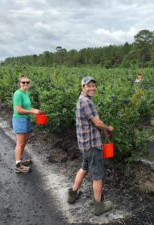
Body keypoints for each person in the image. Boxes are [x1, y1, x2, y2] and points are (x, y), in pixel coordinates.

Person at [67, 76, 114, 216]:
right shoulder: (87, 101)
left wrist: (101, 128)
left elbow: (93, 123)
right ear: (83, 87)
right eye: (89, 86)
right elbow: (97, 122)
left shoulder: (81, 99)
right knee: (97, 175)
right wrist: (108, 128)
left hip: (84, 143)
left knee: (84, 168)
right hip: (92, 144)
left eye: (93, 85)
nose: (92, 88)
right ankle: (98, 206)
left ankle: (72, 194)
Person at [12, 74, 40, 173]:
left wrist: (36, 110)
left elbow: (27, 107)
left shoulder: (26, 93)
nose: (26, 84)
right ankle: (18, 165)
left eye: (27, 82)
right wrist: (32, 112)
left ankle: (20, 160)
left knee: (24, 141)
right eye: (23, 82)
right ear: (19, 84)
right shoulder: (18, 94)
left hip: (26, 119)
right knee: (20, 143)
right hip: (19, 120)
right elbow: (18, 110)